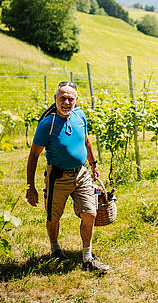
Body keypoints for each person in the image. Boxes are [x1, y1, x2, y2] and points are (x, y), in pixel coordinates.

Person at [26, 81, 109, 272]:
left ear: (76, 100)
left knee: (90, 213)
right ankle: (55, 248)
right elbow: (33, 155)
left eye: (70, 98)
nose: (66, 102)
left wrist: (94, 164)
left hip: (82, 174)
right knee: (54, 216)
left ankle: (87, 257)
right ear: (55, 99)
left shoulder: (80, 116)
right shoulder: (47, 124)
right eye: (62, 97)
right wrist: (31, 187)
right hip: (58, 176)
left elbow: (86, 141)